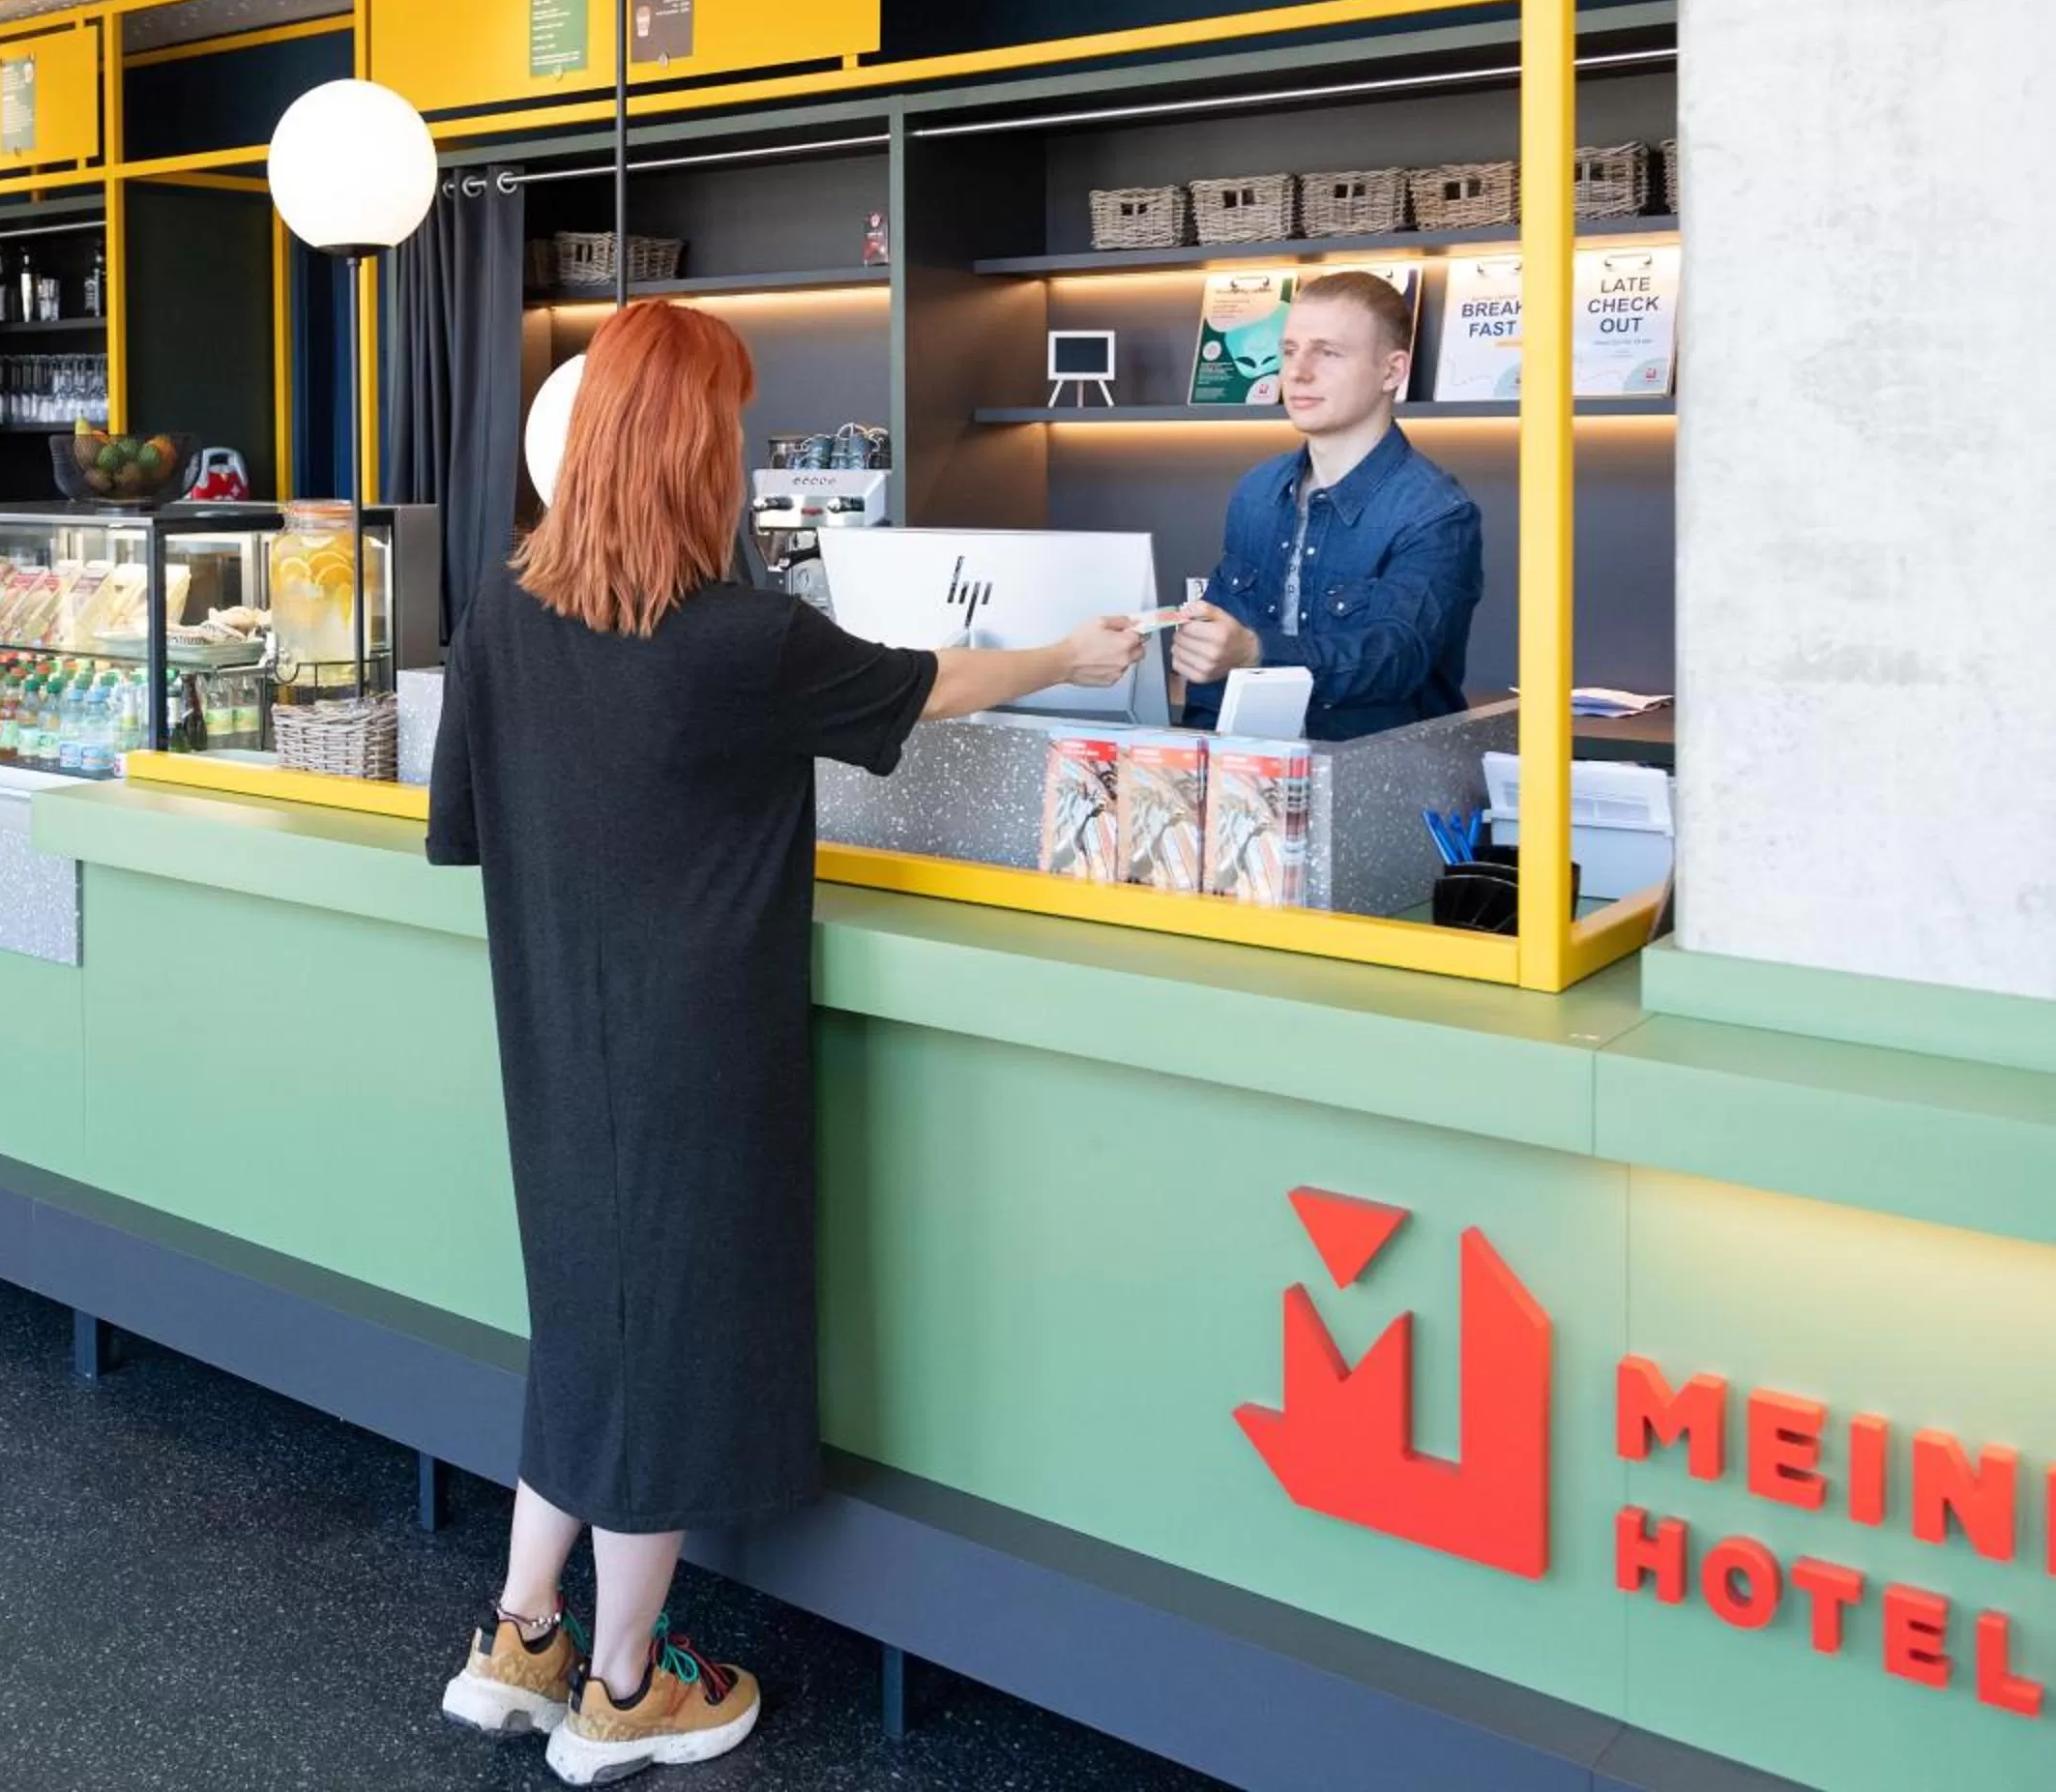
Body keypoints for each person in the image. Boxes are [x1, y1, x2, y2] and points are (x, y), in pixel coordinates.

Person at [426, 302, 1142, 1785]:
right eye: (735, 428)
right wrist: (1071, 650)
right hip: (697, 1050)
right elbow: (927, 686)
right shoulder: (741, 638)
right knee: (672, 1348)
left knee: (586, 1327)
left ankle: (519, 1639)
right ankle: (625, 1691)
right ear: (695, 451)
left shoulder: (503, 608)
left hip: (555, 1039)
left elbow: (468, 826)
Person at [1170, 269, 1484, 742]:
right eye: (1290, 350)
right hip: (1252, 781)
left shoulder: (1436, 511)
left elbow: (1396, 658)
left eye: (1329, 353)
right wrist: (1200, 767)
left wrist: (1257, 652)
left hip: (1380, 787)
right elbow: (1215, 665)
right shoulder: (1256, 491)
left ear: (1393, 371)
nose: (1298, 372)